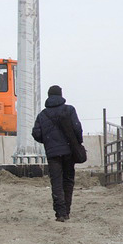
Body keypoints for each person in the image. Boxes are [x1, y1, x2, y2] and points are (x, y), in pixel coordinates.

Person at [32, 85, 83, 222]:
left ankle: (60, 213)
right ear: (61, 95)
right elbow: (77, 128)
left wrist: (47, 141)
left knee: (56, 182)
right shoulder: (69, 110)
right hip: (68, 151)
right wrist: (78, 142)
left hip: (53, 153)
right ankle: (66, 211)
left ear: (49, 96)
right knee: (68, 180)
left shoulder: (43, 114)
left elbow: (36, 133)